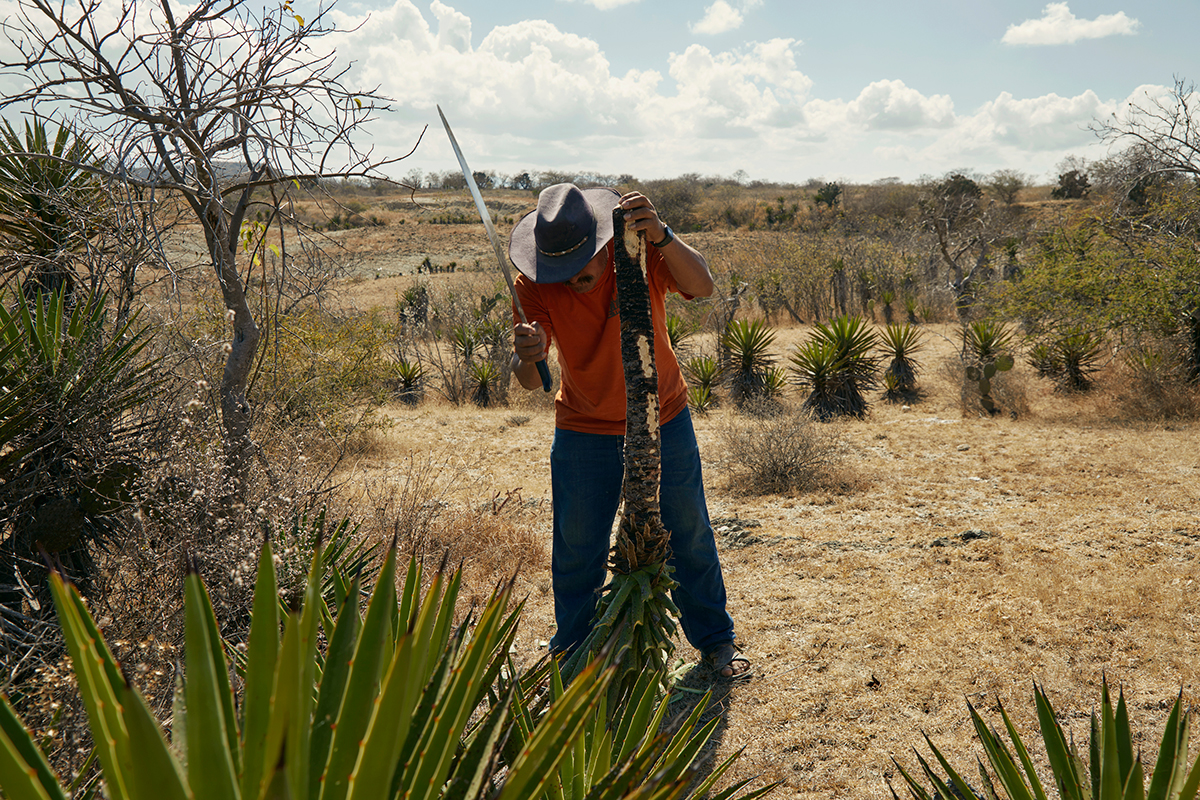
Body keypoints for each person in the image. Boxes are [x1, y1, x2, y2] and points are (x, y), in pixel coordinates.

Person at [508, 183, 749, 679]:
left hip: (664, 416)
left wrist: (662, 235)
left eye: (581, 262)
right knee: (577, 548)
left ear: (600, 243)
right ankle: (574, 655)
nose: (572, 275)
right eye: (559, 267)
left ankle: (716, 644)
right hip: (582, 427)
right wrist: (527, 355)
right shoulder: (532, 283)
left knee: (689, 532)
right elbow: (533, 380)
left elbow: (702, 286)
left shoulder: (636, 250)